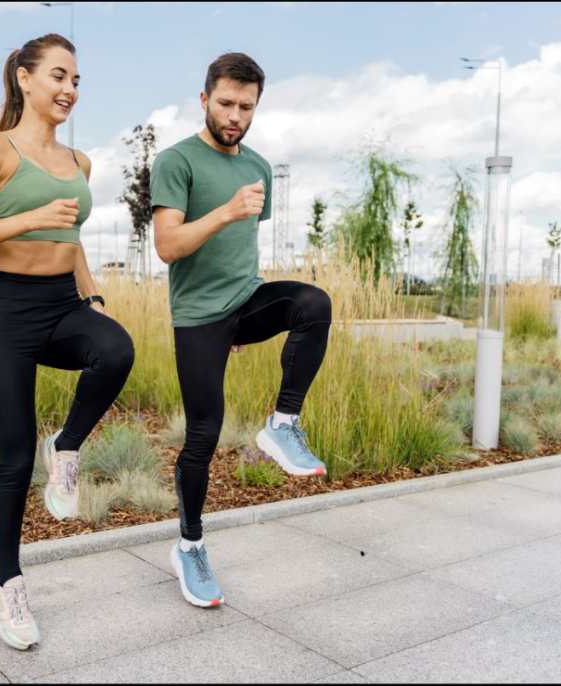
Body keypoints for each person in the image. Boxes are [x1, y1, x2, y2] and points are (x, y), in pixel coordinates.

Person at [0, 33, 134, 650]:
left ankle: (68, 444)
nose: (69, 89)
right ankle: (9, 584)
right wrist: (30, 218)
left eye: (76, 80)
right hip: (5, 313)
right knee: (12, 461)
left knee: (116, 349)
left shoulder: (80, 163)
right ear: (24, 78)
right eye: (58, 76)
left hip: (62, 305)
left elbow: (71, 239)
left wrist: (93, 297)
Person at [150, 52, 333, 608]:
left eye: (246, 107)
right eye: (226, 103)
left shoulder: (257, 167)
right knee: (204, 434)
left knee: (313, 304)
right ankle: (190, 547)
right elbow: (168, 246)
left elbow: (241, 249)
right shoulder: (176, 161)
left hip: (245, 301)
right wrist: (226, 211)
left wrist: (246, 316)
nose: (235, 116)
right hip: (199, 317)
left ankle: (283, 424)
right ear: (204, 99)